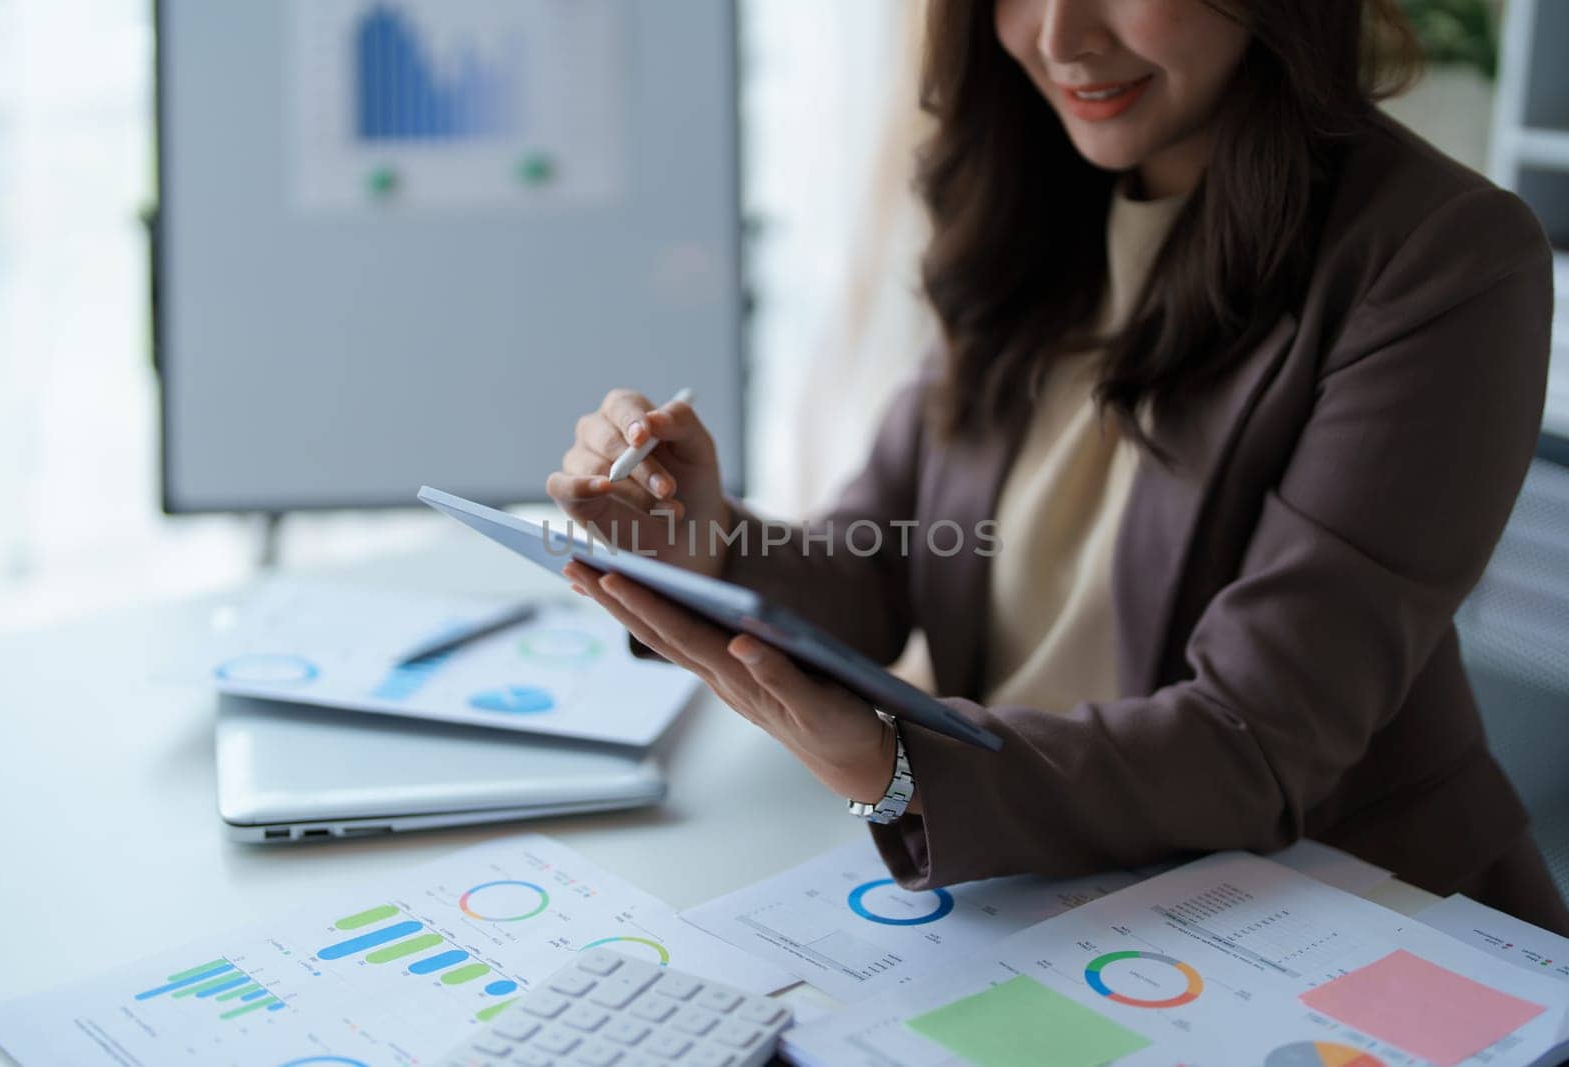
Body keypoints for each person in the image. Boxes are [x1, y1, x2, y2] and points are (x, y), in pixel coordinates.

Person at [545, 0, 1569, 934]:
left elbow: (1256, 741)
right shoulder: (1029, 203)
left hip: (1343, 923)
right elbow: (883, 563)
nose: (1058, 36)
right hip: (1047, 904)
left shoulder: (1440, 258)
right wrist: (708, 537)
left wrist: (898, 773)